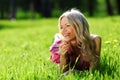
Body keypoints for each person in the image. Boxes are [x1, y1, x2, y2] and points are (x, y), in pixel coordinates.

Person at [49, 8, 101, 73]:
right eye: (61, 27)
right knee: (57, 37)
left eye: (68, 26)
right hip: (61, 41)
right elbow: (62, 72)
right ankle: (56, 36)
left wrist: (91, 55)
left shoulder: (95, 40)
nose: (63, 30)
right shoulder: (61, 45)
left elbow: (95, 70)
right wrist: (63, 56)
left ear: (79, 26)